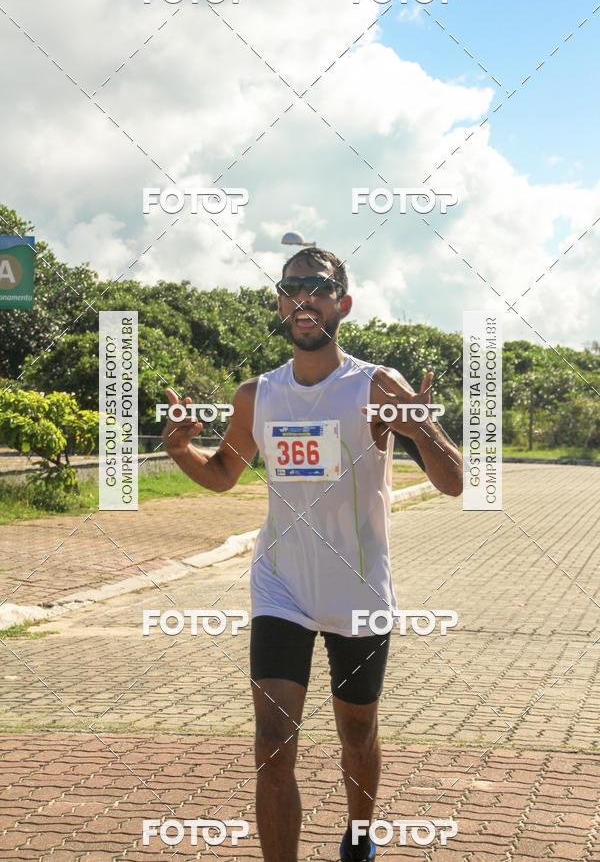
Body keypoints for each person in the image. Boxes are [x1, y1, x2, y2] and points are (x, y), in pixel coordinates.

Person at [162, 247, 463, 862]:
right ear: (280, 304)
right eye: (292, 287)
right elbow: (223, 472)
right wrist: (178, 452)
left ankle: (359, 835)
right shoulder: (257, 395)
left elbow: (455, 481)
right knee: (273, 741)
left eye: (318, 288)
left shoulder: (376, 384)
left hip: (358, 590)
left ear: (341, 304)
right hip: (282, 590)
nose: (304, 299)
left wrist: (420, 430)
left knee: (357, 732)